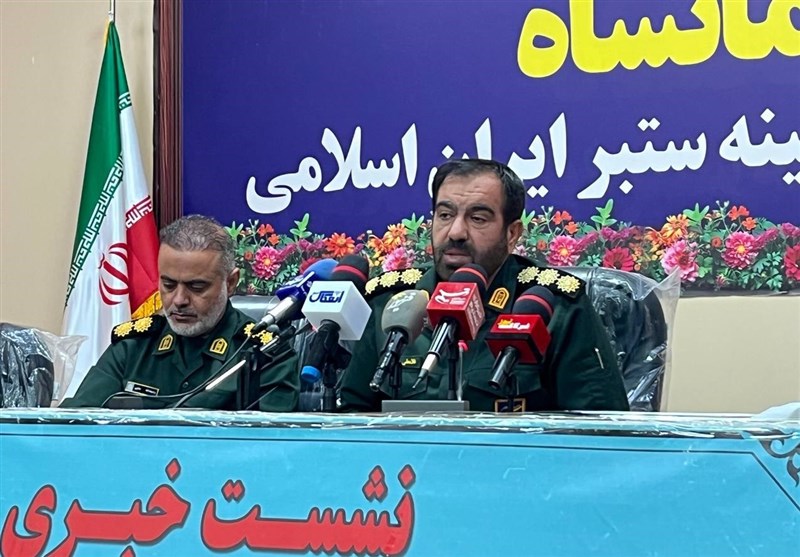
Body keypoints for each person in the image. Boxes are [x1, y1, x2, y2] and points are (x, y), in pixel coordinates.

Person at [340, 159, 629, 412]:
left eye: (477, 218)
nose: (455, 232)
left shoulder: (554, 307)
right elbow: (352, 415)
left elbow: (596, 426)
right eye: (445, 215)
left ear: (512, 233)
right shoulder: (391, 301)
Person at [61, 215, 299, 411]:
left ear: (230, 282)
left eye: (196, 287)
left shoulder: (264, 354)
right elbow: (77, 423)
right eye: (168, 285)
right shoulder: (134, 346)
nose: (179, 300)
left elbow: (273, 445)